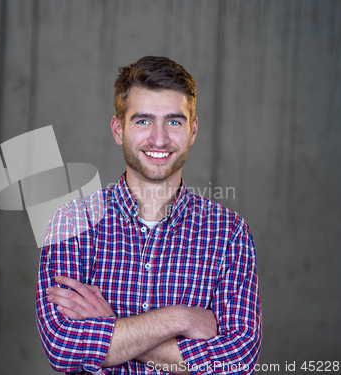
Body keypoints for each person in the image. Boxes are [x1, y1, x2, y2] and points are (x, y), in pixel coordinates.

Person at [36, 56, 261, 374]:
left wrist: (111, 327)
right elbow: (63, 348)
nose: (159, 139)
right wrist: (180, 318)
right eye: (143, 121)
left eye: (174, 121)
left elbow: (236, 363)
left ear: (193, 130)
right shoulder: (73, 223)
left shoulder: (229, 233)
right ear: (118, 129)